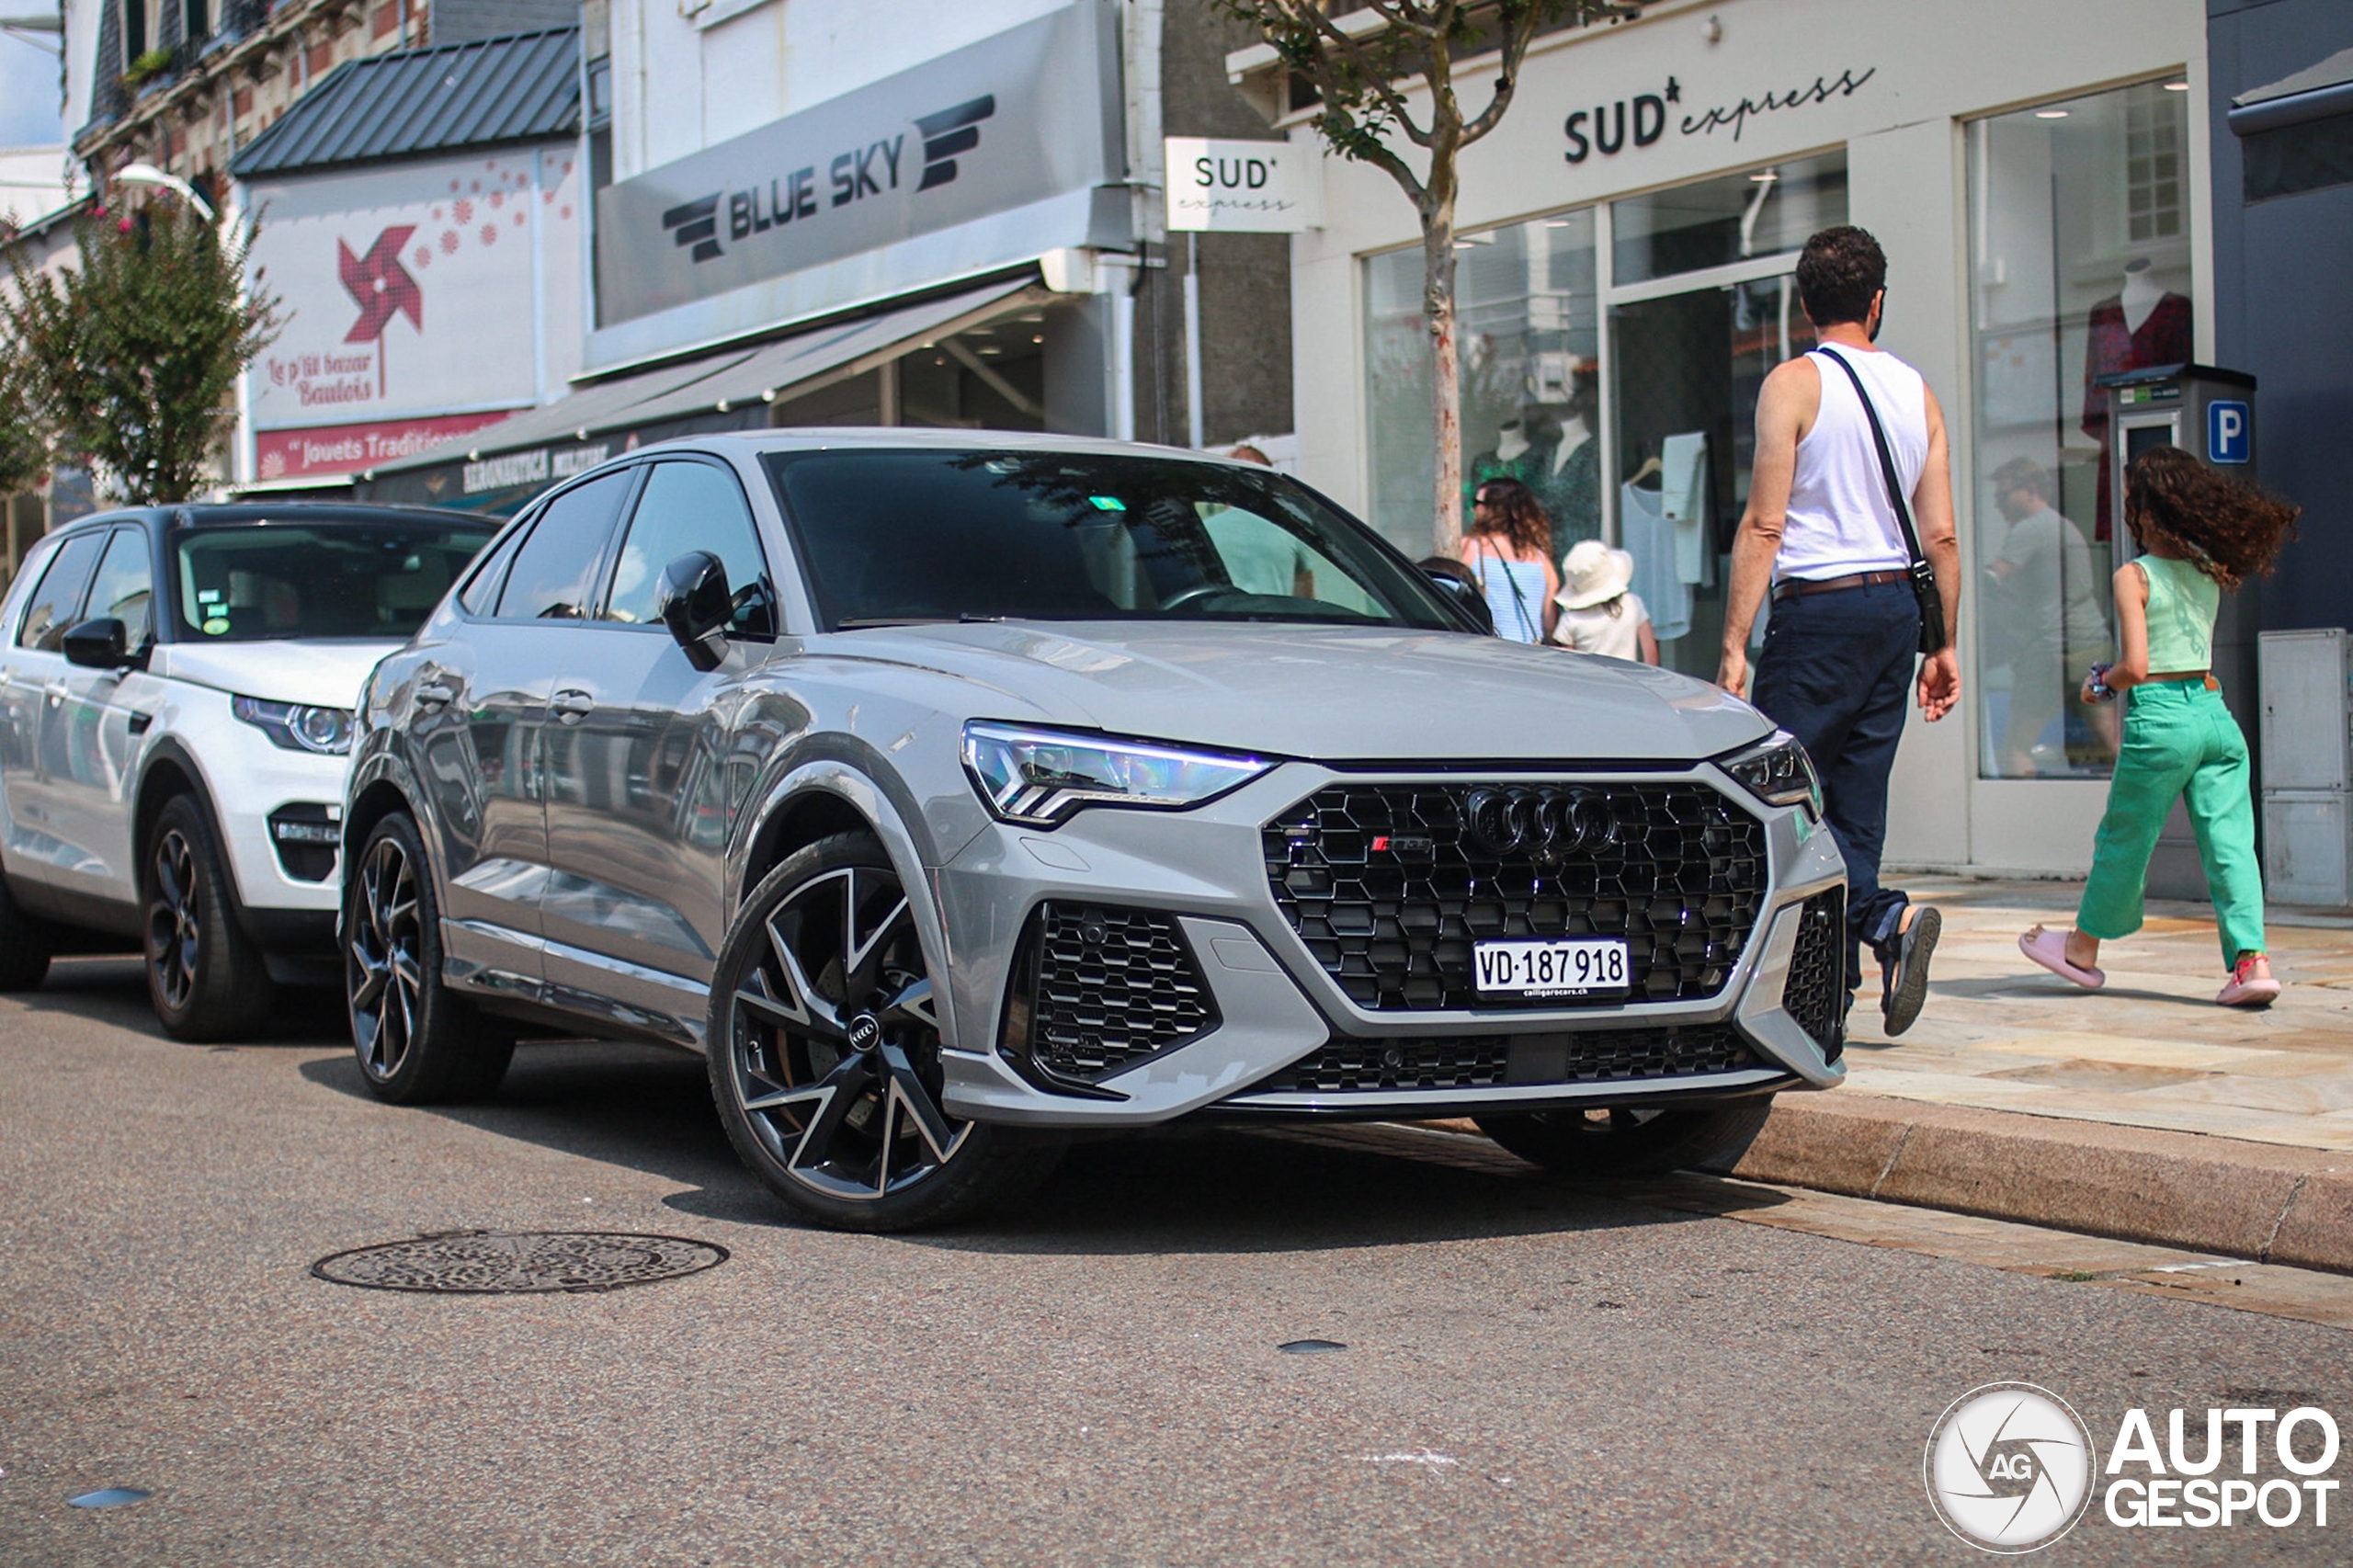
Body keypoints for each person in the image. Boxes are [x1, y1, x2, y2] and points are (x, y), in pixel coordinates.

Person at [1716, 225, 1962, 1037]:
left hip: (1818, 611)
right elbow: (1944, 538)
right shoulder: (1916, 393)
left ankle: (1880, 924)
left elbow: (1763, 525)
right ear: (1877, 301)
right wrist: (1944, 644)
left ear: (1802, 302)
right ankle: (1837, 993)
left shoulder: (1793, 384)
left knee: (1787, 804)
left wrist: (1733, 649)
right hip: (1894, 611)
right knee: (1854, 804)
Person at [2019, 447, 2300, 1008]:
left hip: (2163, 720)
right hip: (2215, 717)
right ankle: (2252, 963)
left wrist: (2101, 683)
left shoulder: (2134, 576)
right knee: (2230, 846)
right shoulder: (2205, 569)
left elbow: (2138, 667)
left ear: (2147, 513)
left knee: (2125, 838)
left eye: (2129, 503)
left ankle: (2081, 949)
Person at [1984, 456, 2112, 773]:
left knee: (2016, 746)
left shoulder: (2031, 528)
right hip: (2093, 647)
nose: (1998, 505)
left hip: (2053, 652)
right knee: (2111, 740)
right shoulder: (2060, 525)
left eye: (2003, 495)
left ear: (2030, 489)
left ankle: (2020, 819)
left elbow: (1993, 576)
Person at [1464, 476, 1559, 643]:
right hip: (1530, 651)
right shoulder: (1540, 557)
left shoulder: (1472, 547)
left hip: (1487, 647)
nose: (1473, 509)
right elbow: (1550, 622)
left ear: (1494, 510)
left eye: (1477, 503)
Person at [1550, 540, 1658, 664]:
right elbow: (1651, 654)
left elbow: (1568, 665)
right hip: (1628, 681)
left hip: (1589, 681)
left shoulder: (1569, 620)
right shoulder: (1632, 604)